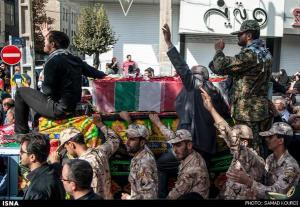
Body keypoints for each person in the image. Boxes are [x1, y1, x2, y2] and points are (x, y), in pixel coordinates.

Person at [12, 23, 106, 137]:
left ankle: (21, 134)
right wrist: (48, 35)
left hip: (58, 109)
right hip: (72, 106)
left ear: (52, 44)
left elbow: (47, 91)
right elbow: (99, 74)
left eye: (46, 41)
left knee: (21, 92)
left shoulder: (52, 61)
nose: (44, 43)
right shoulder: (75, 59)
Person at [209, 20, 273, 157]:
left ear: (249, 35)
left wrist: (219, 50)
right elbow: (225, 68)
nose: (238, 37)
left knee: (249, 147)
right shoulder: (265, 53)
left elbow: (220, 66)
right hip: (259, 109)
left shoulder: (250, 54)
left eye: (240, 34)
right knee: (258, 144)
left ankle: (253, 175)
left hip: (248, 111)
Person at [200, 87, 265, 199]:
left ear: (244, 143)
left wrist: (212, 110)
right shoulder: (237, 158)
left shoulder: (252, 159)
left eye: (233, 139)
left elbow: (228, 135)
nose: (228, 143)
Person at [227, 122, 300, 199]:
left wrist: (249, 182)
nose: (266, 139)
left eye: (270, 137)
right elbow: (263, 180)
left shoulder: (291, 166)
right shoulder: (270, 158)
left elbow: (277, 194)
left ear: (281, 141)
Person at [56, 114, 120, 199]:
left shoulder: (82, 166)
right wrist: (100, 125)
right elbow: (114, 139)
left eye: (65, 147)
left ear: (71, 144)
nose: (66, 150)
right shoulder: (100, 152)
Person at [149, 114, 210, 199]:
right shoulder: (191, 154)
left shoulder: (191, 170)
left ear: (189, 145)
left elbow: (173, 196)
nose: (174, 150)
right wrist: (158, 123)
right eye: (173, 145)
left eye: (178, 145)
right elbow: (171, 136)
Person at [119, 111, 158, 200]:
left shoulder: (145, 163)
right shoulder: (142, 151)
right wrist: (129, 120)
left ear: (142, 142)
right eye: (127, 138)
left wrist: (128, 198)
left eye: (132, 139)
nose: (127, 142)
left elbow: (149, 196)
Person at [20, 133, 65, 200]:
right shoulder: (53, 172)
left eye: (22, 151)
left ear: (32, 157)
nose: (19, 153)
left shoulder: (37, 191)